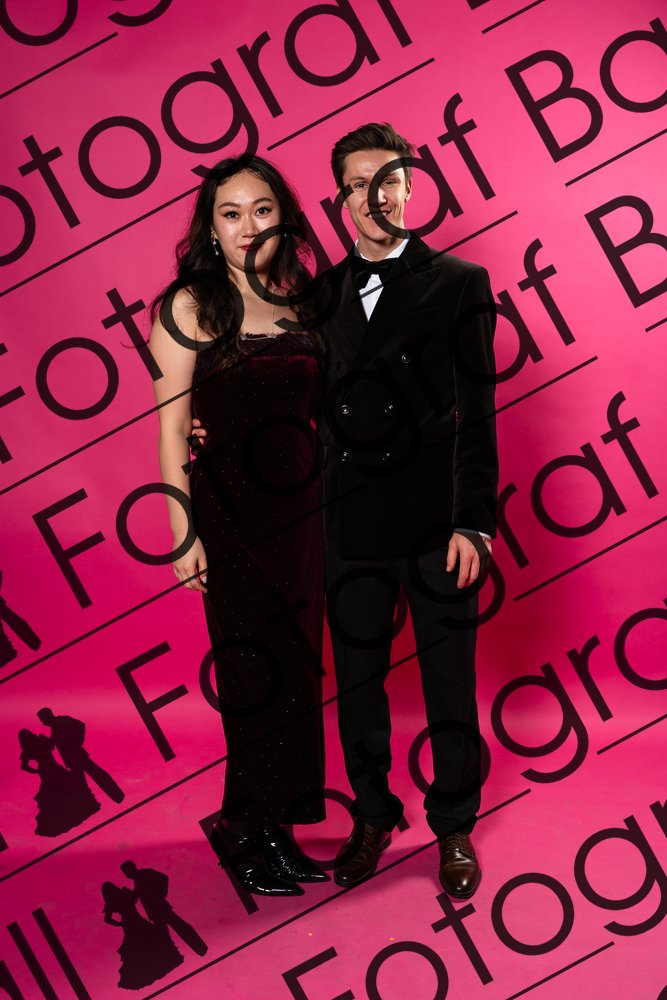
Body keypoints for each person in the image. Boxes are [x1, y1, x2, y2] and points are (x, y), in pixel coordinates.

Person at [192, 123, 498, 899]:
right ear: (340, 199)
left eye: (387, 179)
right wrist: (211, 427)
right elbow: (282, 389)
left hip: (435, 522)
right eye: (358, 185)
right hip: (343, 522)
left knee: (449, 681)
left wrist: (473, 522)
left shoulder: (459, 282)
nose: (375, 196)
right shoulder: (315, 295)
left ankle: (453, 825)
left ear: (410, 187)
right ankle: (371, 816)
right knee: (357, 685)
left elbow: (477, 410)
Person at [149, 154, 329, 896]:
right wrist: (181, 532)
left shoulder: (304, 301)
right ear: (211, 227)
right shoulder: (190, 305)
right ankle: (240, 826)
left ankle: (278, 826)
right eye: (231, 213)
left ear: (283, 217)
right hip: (229, 514)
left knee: (298, 671)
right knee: (253, 672)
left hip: (305, 514)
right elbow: (170, 429)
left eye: (261, 209)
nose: (247, 225)